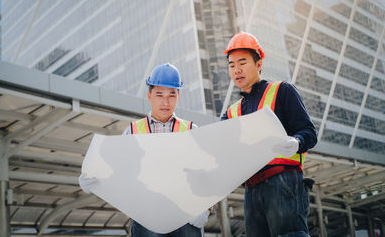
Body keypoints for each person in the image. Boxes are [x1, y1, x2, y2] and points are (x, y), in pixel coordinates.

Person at [79, 63, 209, 237]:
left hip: (186, 218)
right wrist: (95, 179)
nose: (165, 101)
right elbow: (118, 172)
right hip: (147, 219)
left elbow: (207, 175)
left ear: (179, 96)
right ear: (149, 96)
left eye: (172, 95)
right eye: (159, 95)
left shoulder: (192, 130)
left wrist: (205, 208)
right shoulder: (132, 132)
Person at [221, 32, 317, 237]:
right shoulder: (231, 113)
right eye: (231, 65)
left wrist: (296, 141)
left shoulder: (282, 91)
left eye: (242, 62)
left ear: (258, 63)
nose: (236, 69)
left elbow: (309, 132)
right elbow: (223, 153)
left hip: (283, 182)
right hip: (251, 190)